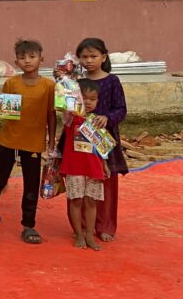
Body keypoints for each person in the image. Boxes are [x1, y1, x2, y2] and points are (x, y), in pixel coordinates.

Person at [0, 40, 56, 244]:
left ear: (41, 59)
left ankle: (29, 226)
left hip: (34, 143)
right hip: (8, 140)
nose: (27, 61)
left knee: (31, 184)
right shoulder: (11, 83)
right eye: (22, 57)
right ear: (16, 61)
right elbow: (3, 110)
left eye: (32, 56)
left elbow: (51, 115)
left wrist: (51, 142)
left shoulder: (49, 86)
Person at [75, 37, 127, 242]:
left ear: (103, 57)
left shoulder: (112, 81)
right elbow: (66, 107)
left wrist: (107, 118)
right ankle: (81, 227)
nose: (89, 60)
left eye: (93, 56)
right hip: (79, 140)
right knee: (80, 182)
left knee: (105, 183)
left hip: (104, 139)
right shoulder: (76, 83)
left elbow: (121, 109)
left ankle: (105, 226)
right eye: (84, 56)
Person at [61, 79, 109, 251]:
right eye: (84, 98)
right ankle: (79, 233)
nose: (88, 102)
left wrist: (104, 165)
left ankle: (90, 233)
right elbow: (62, 101)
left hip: (94, 167)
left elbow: (101, 147)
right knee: (76, 200)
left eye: (92, 98)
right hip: (74, 166)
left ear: (97, 101)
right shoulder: (70, 117)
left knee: (91, 202)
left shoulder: (97, 121)